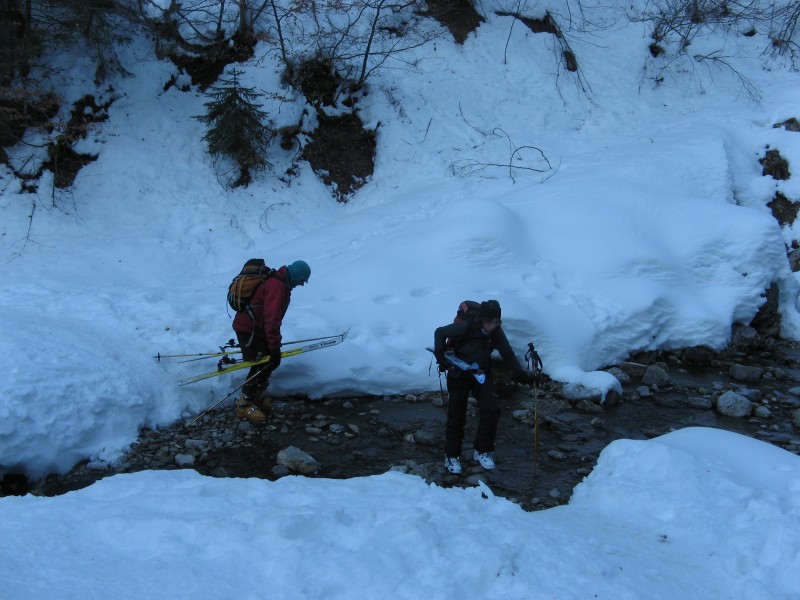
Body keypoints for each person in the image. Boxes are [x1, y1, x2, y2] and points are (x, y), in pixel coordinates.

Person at [433, 300, 532, 474]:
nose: (492, 326)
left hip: (481, 373)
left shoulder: (496, 333)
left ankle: (482, 450)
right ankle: (452, 455)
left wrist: (522, 375)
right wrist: (441, 359)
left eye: (496, 322)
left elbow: (507, 353)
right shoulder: (466, 327)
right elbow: (439, 333)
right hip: (459, 374)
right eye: (489, 322)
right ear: (481, 319)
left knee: (492, 410)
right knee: (457, 416)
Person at [232, 260, 311, 421]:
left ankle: (257, 397)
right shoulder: (278, 286)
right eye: (302, 280)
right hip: (249, 329)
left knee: (270, 361)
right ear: (296, 275)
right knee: (261, 363)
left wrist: (273, 346)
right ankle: (244, 405)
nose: (302, 284)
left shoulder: (282, 284)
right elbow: (272, 320)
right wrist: (274, 346)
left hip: (257, 328)